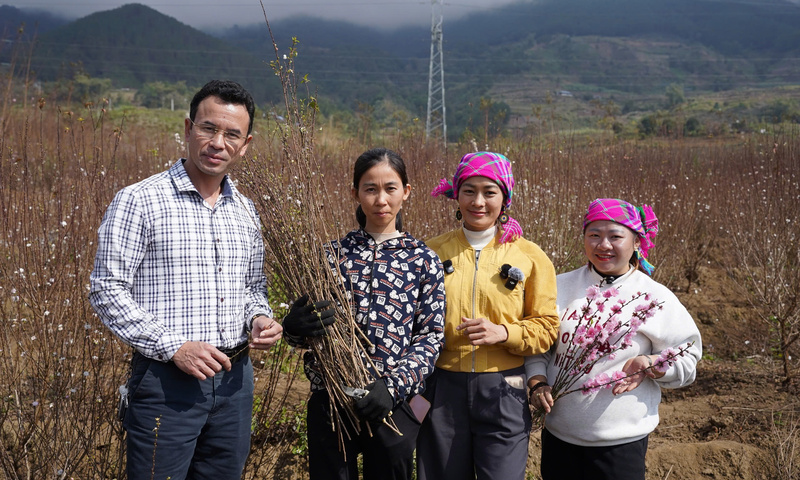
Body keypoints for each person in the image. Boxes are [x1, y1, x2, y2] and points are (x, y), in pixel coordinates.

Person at [89, 80, 283, 479]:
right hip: (166, 382)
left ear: (245, 144)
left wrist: (259, 319)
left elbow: (252, 287)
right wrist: (174, 346)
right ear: (188, 128)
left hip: (235, 381)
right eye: (208, 128)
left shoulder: (245, 212)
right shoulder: (139, 200)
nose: (218, 142)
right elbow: (106, 289)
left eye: (232, 134)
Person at [282, 147, 446, 480]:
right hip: (332, 399)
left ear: (406, 192)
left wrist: (393, 387)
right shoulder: (330, 256)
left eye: (390, 188)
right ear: (354, 192)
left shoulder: (423, 260)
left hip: (392, 407)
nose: (381, 199)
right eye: (370, 189)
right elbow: (305, 332)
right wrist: (293, 328)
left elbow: (430, 336)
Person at [526, 198, 702, 480]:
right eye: (594, 235)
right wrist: (537, 383)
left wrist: (651, 363)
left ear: (636, 242)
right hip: (559, 437)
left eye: (615, 236)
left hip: (620, 445)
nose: (603, 245)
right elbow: (538, 347)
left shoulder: (653, 297)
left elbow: (688, 355)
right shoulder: (559, 286)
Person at [416, 151, 560, 480]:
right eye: (469, 191)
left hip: (505, 387)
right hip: (442, 388)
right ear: (456, 194)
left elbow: (547, 326)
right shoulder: (430, 252)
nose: (478, 201)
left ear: (504, 198)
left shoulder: (530, 256)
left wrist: (505, 333)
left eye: (489, 192)